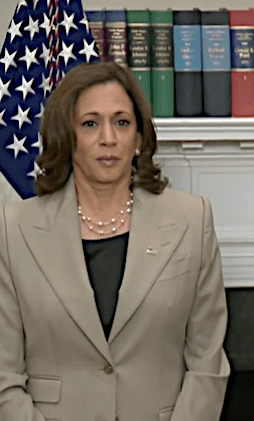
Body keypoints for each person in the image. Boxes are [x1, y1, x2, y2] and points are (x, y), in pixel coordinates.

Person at [0, 62, 230, 420]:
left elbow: (208, 364)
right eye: (90, 123)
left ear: (138, 137)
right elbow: (4, 376)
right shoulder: (13, 230)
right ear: (67, 135)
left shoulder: (191, 220)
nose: (108, 138)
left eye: (122, 122)